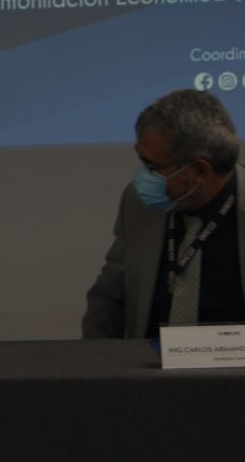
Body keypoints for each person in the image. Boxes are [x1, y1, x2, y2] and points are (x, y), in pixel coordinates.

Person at [83, 90, 244, 338]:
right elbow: (109, 296)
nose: (144, 176)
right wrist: (94, 356)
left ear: (200, 171)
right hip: (146, 360)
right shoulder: (137, 202)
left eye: (154, 167)